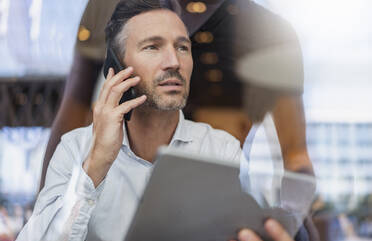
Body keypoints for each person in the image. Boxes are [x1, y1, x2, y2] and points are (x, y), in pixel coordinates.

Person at [14, 1, 302, 241]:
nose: (173, 61)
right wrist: (94, 168)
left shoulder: (221, 150)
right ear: (116, 69)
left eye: (182, 47)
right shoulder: (76, 149)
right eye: (153, 47)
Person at [40, 0, 313, 191]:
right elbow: (71, 115)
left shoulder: (270, 33)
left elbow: (295, 156)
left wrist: (294, 218)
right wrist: (45, 207)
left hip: (209, 210)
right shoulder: (110, 6)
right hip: (109, 203)